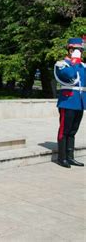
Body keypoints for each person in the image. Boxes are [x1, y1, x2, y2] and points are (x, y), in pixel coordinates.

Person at [53, 37, 85, 168]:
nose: (80, 52)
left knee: (72, 131)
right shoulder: (62, 65)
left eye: (81, 50)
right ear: (70, 50)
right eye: (78, 50)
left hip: (80, 103)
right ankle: (62, 158)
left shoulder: (82, 66)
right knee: (64, 131)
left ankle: (70, 157)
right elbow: (70, 75)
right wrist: (73, 61)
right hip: (68, 102)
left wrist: (77, 62)